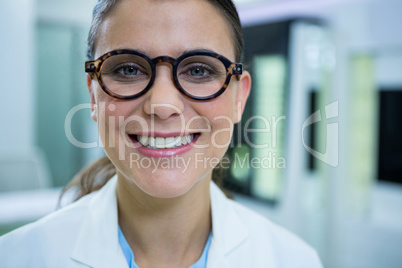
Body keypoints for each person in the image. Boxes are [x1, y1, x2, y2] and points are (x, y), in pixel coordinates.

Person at [0, 0, 323, 267]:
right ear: (93, 94)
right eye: (128, 69)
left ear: (239, 98)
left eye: (198, 70)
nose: (163, 104)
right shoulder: (17, 258)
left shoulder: (294, 261)